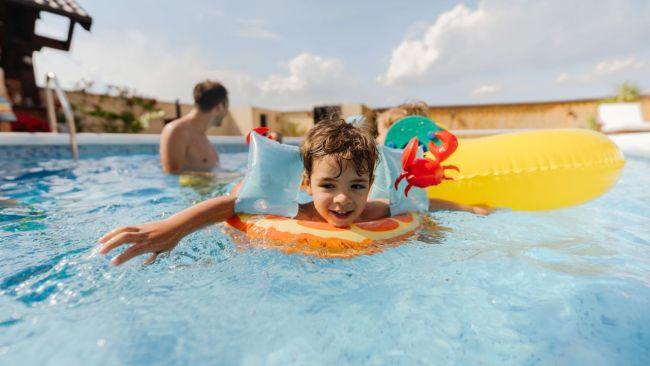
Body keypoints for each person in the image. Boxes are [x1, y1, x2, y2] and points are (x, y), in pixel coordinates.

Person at [99, 117, 489, 266]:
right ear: (305, 184)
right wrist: (172, 229)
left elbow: (421, 205)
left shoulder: (373, 212)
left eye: (356, 186)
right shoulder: (295, 211)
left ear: (371, 185)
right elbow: (231, 204)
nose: (342, 199)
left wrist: (466, 208)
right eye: (327, 186)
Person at [159, 80, 228, 173]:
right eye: (227, 108)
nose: (226, 113)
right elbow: (172, 176)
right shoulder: (176, 131)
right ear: (218, 108)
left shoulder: (204, 139)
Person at [0, 67, 17, 132]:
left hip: (2, 100)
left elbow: (3, 88)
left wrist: (8, 100)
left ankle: (5, 141)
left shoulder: (1, 70)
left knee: (6, 123)